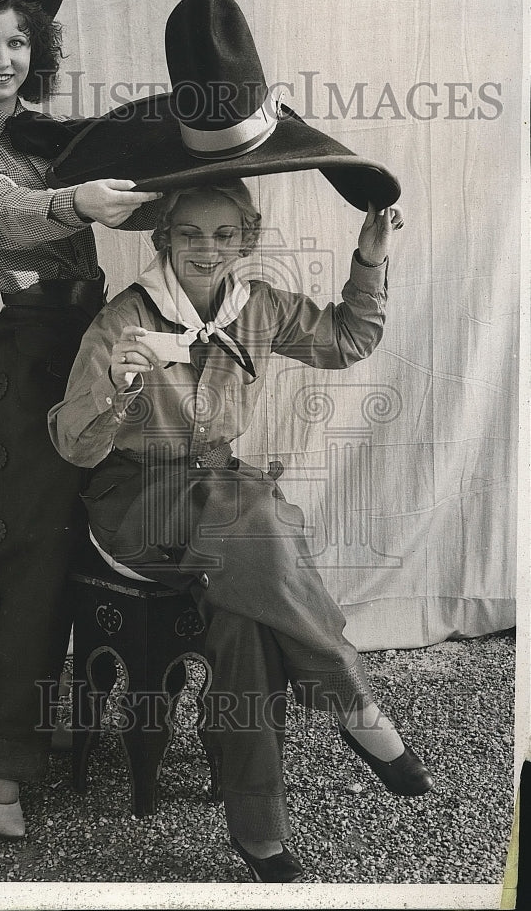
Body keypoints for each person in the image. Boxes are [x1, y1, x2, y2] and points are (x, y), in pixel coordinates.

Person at [48, 177, 432, 881]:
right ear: (163, 237)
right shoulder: (123, 318)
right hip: (135, 505)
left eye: (225, 235)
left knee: (246, 625)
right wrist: (118, 386)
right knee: (259, 516)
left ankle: (258, 833)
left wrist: (370, 258)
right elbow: (73, 446)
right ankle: (355, 705)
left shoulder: (256, 307)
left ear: (247, 240)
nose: (207, 249)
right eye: (190, 233)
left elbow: (348, 339)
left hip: (217, 497)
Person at [0, 0, 161, 838]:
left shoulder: (46, 131)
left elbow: (122, 158)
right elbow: (7, 213)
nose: (2, 57)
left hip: (99, 331)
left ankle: (96, 727)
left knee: (109, 529)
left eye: (17, 39)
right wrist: (81, 203)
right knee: (25, 544)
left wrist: (199, 135)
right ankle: (0, 761)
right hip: (34, 344)